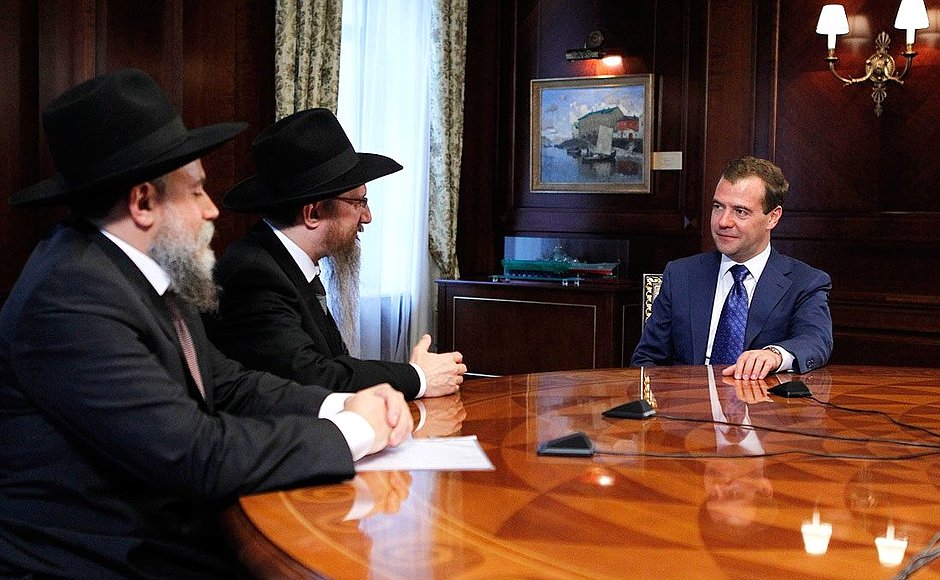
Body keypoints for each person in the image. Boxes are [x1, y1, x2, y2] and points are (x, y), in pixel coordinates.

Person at [0, 69, 412, 578]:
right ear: (143, 202)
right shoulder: (70, 297)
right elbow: (195, 455)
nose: (212, 210)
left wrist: (341, 403)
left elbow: (227, 384)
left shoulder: (138, 274)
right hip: (102, 563)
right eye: (196, 192)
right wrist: (354, 431)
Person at [206, 108, 466, 400]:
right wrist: (417, 377)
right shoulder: (253, 274)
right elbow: (311, 377)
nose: (367, 217)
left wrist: (413, 374)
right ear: (314, 213)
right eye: (358, 203)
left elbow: (336, 363)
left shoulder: (287, 264)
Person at [631, 156, 833, 379]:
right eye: (718, 207)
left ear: (773, 218)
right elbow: (647, 360)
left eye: (740, 211)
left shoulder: (805, 282)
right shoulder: (680, 275)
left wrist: (775, 355)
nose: (723, 222)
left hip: (762, 399)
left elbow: (816, 340)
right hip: (688, 396)